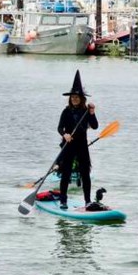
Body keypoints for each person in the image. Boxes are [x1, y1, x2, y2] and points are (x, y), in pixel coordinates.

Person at [56, 70, 98, 210]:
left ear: (81, 98)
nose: (74, 99)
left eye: (77, 97)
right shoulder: (66, 111)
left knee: (85, 173)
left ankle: (87, 201)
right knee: (66, 173)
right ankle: (63, 200)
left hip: (82, 146)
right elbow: (59, 128)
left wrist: (92, 113)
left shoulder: (86, 111)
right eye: (72, 97)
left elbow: (95, 126)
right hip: (69, 145)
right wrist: (65, 135)